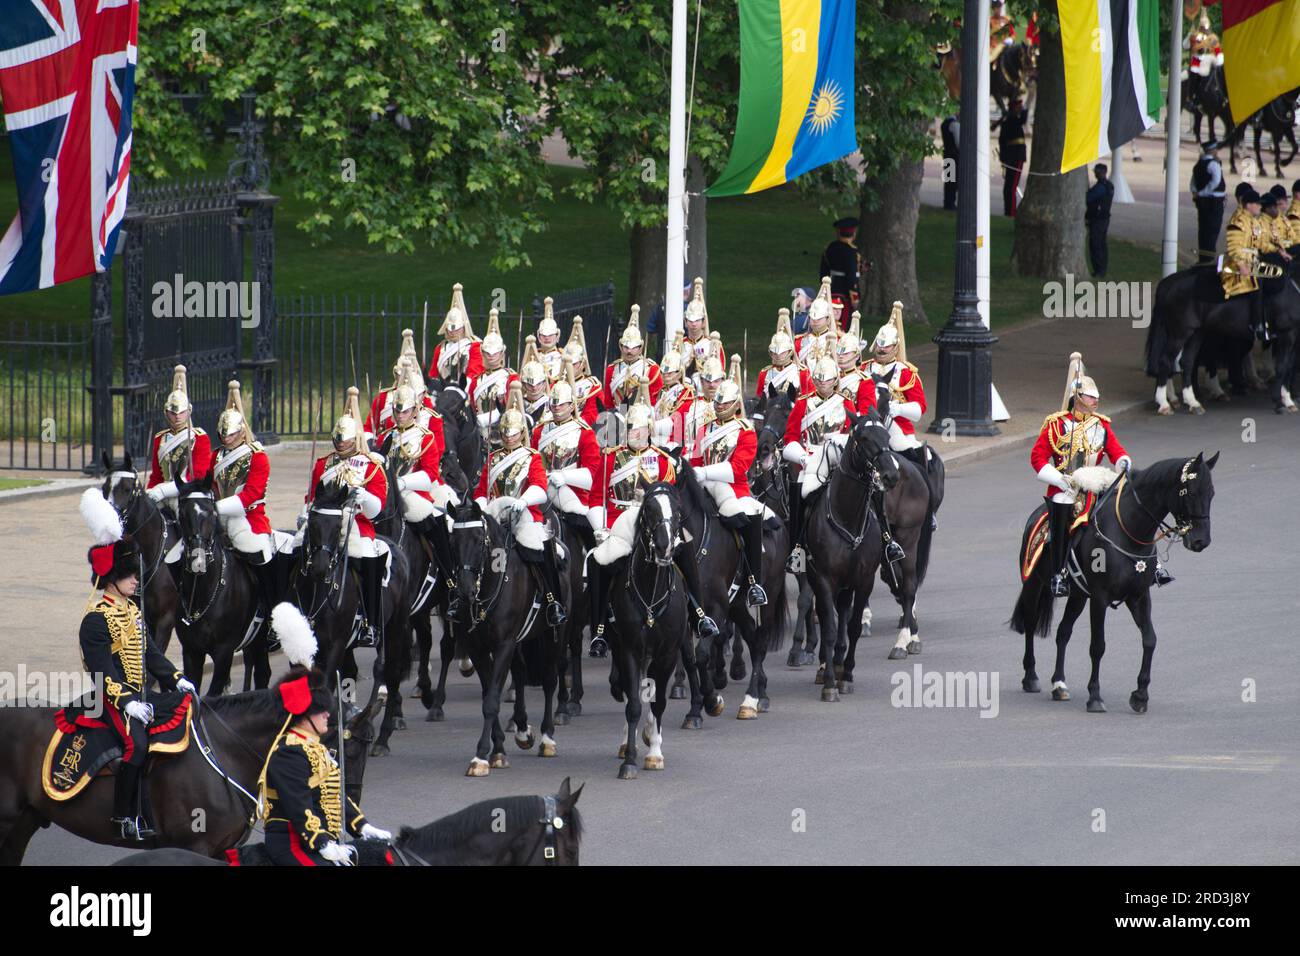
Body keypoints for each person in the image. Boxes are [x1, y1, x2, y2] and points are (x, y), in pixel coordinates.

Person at [77, 489, 195, 840]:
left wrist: (176, 678)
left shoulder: (132, 610)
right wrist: (127, 701)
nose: (135, 580)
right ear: (112, 577)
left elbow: (150, 655)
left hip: (139, 696)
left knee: (185, 709)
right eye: (129, 575)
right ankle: (123, 818)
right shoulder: (96, 619)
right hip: (113, 701)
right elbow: (102, 673)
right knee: (136, 745)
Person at [587, 381, 718, 656]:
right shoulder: (611, 458)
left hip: (655, 521)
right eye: (630, 429)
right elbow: (596, 497)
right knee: (597, 562)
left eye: (640, 428)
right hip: (619, 521)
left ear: (649, 430)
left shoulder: (662, 461)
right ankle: (598, 629)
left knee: (687, 553)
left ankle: (698, 613)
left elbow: (670, 499)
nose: (635, 433)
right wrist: (600, 527)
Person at [259, 606, 389, 866]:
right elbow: (298, 805)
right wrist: (321, 843)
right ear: (303, 715)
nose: (327, 716)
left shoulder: (315, 748)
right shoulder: (287, 751)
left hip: (319, 840)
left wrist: (362, 826)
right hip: (292, 843)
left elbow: (335, 796)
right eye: (321, 712)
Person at [1030, 353, 1135, 598]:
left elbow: (1116, 451)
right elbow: (1037, 458)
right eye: (1090, 396)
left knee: (1128, 509)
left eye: (1097, 397)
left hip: (1096, 483)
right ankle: (1059, 574)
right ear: (1077, 397)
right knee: (1061, 515)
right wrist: (1058, 479)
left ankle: (1148, 564)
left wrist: (1123, 461)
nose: (1096, 401)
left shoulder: (1102, 425)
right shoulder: (1055, 424)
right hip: (1066, 486)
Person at [296, 388, 390, 649]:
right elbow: (312, 496)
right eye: (337, 439)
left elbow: (377, 509)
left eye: (345, 440)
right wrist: (305, 513)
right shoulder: (323, 464)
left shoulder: (370, 465)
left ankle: (371, 623)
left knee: (367, 555)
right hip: (323, 519)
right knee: (292, 548)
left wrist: (362, 497)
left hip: (355, 523)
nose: (340, 444)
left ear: (355, 438)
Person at [473, 383, 568, 627]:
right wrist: (480, 507)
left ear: (521, 433)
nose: (507, 436)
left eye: (512, 432)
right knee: (469, 547)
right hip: (495, 516)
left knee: (538, 548)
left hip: (524, 514)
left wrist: (523, 501)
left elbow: (539, 485)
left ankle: (552, 600)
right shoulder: (493, 458)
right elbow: (482, 490)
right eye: (504, 432)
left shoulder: (531, 456)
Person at [690, 358, 767, 607]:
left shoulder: (746, 429)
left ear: (735, 405)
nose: (720, 406)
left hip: (734, 489)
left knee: (751, 514)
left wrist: (706, 472)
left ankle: (754, 582)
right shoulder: (705, 428)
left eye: (725, 403)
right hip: (703, 486)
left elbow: (738, 469)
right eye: (718, 402)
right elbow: (695, 458)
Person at [209, 380, 279, 618]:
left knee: (260, 551)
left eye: (231, 434)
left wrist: (216, 508)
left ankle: (271, 610)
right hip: (217, 519)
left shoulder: (257, 456)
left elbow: (252, 495)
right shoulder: (215, 456)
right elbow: (209, 486)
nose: (226, 438)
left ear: (241, 431)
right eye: (223, 434)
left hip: (249, 519)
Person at [865, 302, 932, 547]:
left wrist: (897, 408)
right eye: (880, 345)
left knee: (918, 458)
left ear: (896, 347)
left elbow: (919, 408)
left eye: (887, 346)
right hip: (870, 424)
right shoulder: (864, 369)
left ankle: (927, 507)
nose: (882, 350)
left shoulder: (906, 372)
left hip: (897, 427)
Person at [781, 353, 854, 570]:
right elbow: (790, 437)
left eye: (828, 380)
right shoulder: (803, 404)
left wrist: (840, 440)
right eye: (819, 380)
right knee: (799, 495)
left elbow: (852, 434)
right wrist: (802, 457)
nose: (823, 384)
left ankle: (884, 540)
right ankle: (797, 552)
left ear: (836, 380)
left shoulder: (846, 402)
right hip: (811, 461)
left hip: (838, 459)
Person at [378, 376, 455, 553]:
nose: (400, 416)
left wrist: (403, 483)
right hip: (387, 494)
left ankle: (447, 575)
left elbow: (430, 474)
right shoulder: (386, 437)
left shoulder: (425, 437)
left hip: (414, 494)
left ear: (415, 410)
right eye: (397, 411)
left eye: (405, 412)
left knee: (437, 527)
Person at [533, 359, 602, 544]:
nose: (556, 409)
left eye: (561, 405)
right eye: (553, 405)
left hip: (573, 493)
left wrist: (565, 477)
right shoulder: (540, 431)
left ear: (572, 406)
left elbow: (593, 472)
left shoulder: (584, 432)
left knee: (588, 531)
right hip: (541, 488)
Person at [145, 365, 211, 534]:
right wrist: (149, 492)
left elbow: (198, 475)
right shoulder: (160, 438)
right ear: (166, 412)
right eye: (173, 413)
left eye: (181, 413)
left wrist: (163, 490)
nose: (177, 417)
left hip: (187, 494)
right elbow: (157, 475)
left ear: (188, 412)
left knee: (188, 529)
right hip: (162, 494)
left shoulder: (199, 437)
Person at [1220, 187, 1269, 340]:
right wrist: (1241, 265)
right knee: (1257, 285)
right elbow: (1234, 248)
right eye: (1258, 204)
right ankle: (1256, 324)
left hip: (1253, 262)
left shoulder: (1253, 221)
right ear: (1249, 205)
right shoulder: (1238, 220)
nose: (1260, 207)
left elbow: (1261, 244)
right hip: (1236, 266)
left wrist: (1279, 251)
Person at [469, 309, 521, 439]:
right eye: (487, 353)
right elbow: (471, 407)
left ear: (502, 353)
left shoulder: (511, 377)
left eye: (495, 353)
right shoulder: (476, 381)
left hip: (504, 435)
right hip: (479, 436)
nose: (491, 356)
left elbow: (513, 409)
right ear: (482, 352)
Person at [603, 304, 662, 413]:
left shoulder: (652, 369)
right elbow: (608, 403)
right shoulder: (611, 369)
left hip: (641, 418)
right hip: (615, 417)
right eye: (626, 347)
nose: (629, 351)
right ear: (620, 346)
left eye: (634, 347)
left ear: (641, 347)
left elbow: (654, 402)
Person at [428, 283, 484, 384]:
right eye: (449, 330)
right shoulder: (440, 348)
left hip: (464, 389)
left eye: (456, 329)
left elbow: (475, 373)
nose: (452, 333)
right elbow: (434, 374)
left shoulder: (474, 346)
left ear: (463, 327)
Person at [755, 309, 811, 400]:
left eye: (782, 352)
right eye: (774, 352)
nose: (778, 355)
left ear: (790, 351)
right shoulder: (764, 373)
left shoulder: (801, 372)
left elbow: (807, 399)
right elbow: (759, 399)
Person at [561, 316, 604, 427]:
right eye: (566, 364)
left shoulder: (592, 386)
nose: (569, 367)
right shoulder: (555, 384)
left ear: (583, 364)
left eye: (574, 364)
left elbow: (592, 416)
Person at [832, 312, 878, 415]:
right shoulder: (831, 375)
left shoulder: (864, 381)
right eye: (839, 352)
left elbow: (867, 413)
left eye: (846, 353)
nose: (841, 355)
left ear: (857, 356)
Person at [1190, 142, 1227, 264]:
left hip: (1202, 201)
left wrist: (1197, 193)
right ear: (1213, 151)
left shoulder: (1198, 164)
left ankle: (1203, 256)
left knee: (1203, 229)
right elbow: (1216, 181)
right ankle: (1208, 258)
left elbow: (1193, 182)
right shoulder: (1213, 164)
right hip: (1214, 201)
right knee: (1212, 229)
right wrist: (1203, 192)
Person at [819, 218, 860, 325]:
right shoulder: (850, 251)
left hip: (830, 289)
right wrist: (854, 299)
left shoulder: (830, 248)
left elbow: (823, 272)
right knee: (844, 321)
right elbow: (851, 277)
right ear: (853, 233)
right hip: (845, 293)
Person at [653, 349, 695, 448]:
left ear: (680, 373)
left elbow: (678, 422)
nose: (665, 376)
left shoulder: (686, 393)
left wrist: (651, 427)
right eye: (663, 372)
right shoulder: (660, 391)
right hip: (655, 437)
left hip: (673, 441)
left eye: (670, 373)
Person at [995, 96, 1028, 217]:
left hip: (1012, 157)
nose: (1020, 109)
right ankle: (1010, 211)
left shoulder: (1009, 121)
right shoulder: (1012, 120)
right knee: (1010, 187)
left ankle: (1010, 211)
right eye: (1018, 107)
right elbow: (1023, 119)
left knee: (1010, 187)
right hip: (1014, 156)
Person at [795, 277, 839, 365]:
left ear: (827, 319)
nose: (815, 321)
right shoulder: (799, 341)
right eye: (812, 318)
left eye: (819, 318)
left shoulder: (838, 340)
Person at [678, 277, 716, 379]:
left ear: (703, 322)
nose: (693, 324)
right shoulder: (679, 345)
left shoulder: (713, 344)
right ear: (685, 322)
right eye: (690, 321)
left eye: (697, 321)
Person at [1085, 163, 1115, 278]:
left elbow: (1089, 198)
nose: (1095, 174)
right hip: (1104, 219)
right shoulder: (1109, 185)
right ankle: (1102, 269)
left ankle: (1099, 271)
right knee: (1102, 244)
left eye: (1096, 172)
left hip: (1097, 220)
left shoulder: (1101, 187)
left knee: (1096, 245)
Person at [518, 337, 552, 431]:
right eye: (530, 384)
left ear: (544, 384)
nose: (534, 387)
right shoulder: (517, 403)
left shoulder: (552, 404)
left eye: (538, 384)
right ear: (524, 385)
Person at [940, 115, 960, 210]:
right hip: (954, 156)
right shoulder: (955, 124)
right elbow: (958, 142)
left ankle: (947, 202)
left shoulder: (944, 124)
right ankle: (951, 203)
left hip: (947, 154)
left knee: (948, 180)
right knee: (954, 181)